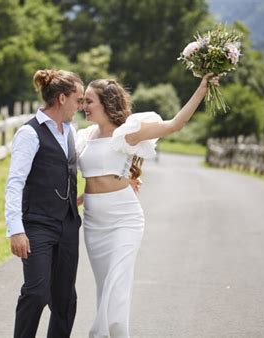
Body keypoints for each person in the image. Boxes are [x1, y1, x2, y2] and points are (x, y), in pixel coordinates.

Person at [76, 73, 219, 338]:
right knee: (104, 285)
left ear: (106, 103)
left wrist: (201, 88)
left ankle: (108, 333)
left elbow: (175, 124)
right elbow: (93, 182)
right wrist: (74, 202)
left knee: (117, 285)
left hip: (124, 220)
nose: (83, 106)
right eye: (83, 101)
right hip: (94, 223)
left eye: (89, 101)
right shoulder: (85, 137)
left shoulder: (127, 133)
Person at [5, 69, 84, 338]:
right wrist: (16, 229)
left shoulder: (71, 131)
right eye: (78, 99)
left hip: (68, 227)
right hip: (37, 225)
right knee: (37, 292)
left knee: (65, 302)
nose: (80, 105)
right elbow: (15, 183)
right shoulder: (29, 133)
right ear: (62, 98)